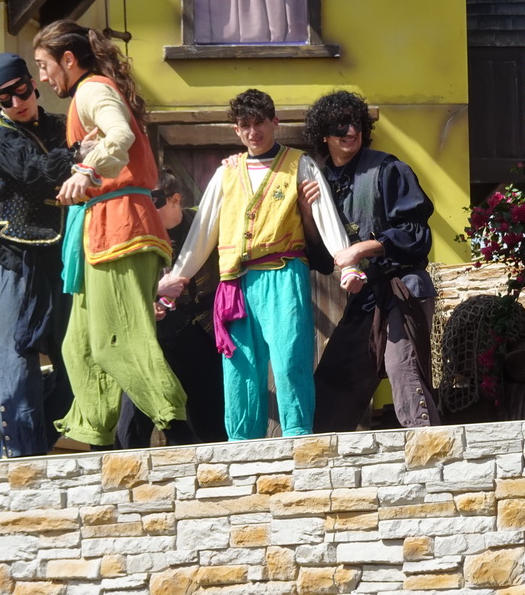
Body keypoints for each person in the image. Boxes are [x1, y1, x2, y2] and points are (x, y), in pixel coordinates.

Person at [159, 89, 365, 441]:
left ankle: (298, 435)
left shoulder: (300, 164)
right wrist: (176, 280)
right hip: (235, 284)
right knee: (240, 367)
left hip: (283, 274)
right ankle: (241, 444)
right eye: (245, 125)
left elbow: (324, 214)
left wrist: (345, 262)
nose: (253, 131)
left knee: (290, 358)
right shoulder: (226, 174)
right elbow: (203, 230)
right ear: (236, 131)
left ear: (275, 122)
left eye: (259, 123)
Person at [32, 22, 191, 449]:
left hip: (120, 227)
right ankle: (92, 441)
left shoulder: (91, 90)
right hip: (100, 230)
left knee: (118, 339)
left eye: (45, 67)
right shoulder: (88, 93)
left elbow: (119, 135)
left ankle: (180, 433)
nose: (42, 79)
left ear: (68, 60)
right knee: (79, 347)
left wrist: (85, 170)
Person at [302, 90, 441, 431]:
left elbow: (417, 236)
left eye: (356, 123)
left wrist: (361, 249)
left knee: (403, 372)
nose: (351, 131)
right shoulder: (322, 183)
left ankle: (435, 461)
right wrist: (307, 216)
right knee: (332, 391)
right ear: (324, 133)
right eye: (340, 125)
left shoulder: (388, 169)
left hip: (402, 288)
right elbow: (322, 260)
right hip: (364, 301)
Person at [0, 52, 84, 458]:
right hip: (12, 263)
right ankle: (19, 455)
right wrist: (77, 155)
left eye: (21, 92)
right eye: (5, 99)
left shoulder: (61, 126)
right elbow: (37, 175)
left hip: (61, 262)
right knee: (15, 369)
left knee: (76, 364)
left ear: (32, 83)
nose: (17, 103)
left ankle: (37, 441)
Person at [115, 169, 226, 449]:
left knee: (211, 422)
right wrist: (148, 300)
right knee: (133, 423)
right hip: (153, 334)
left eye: (155, 202)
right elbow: (119, 287)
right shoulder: (134, 235)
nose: (147, 211)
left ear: (175, 199)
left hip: (202, 329)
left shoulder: (205, 225)